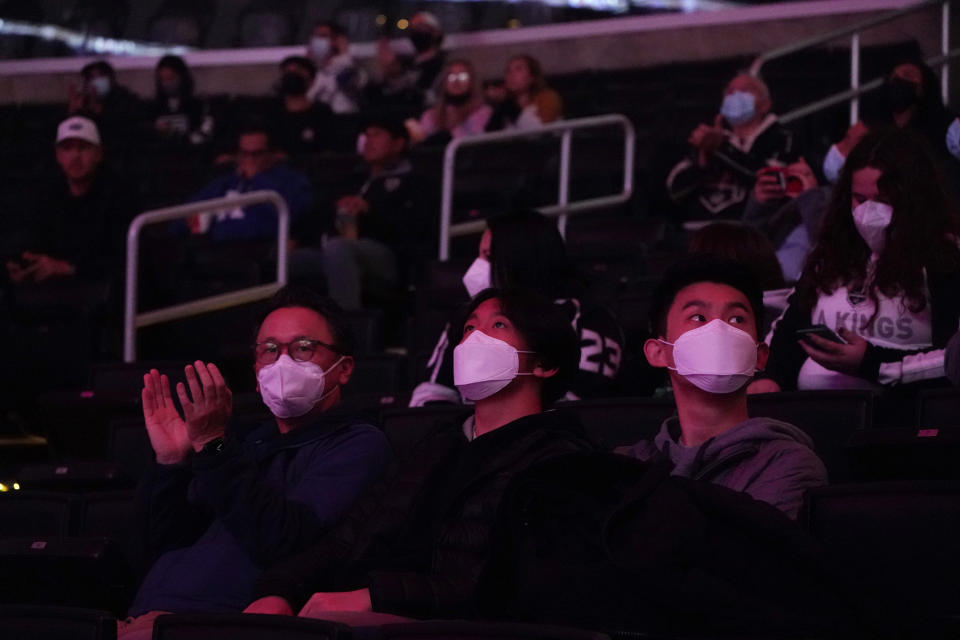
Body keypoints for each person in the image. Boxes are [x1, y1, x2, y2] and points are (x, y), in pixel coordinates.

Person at [244, 288, 591, 621]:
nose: (474, 339)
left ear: (544, 363)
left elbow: (507, 589)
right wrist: (280, 589)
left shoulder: (560, 461)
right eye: (469, 328)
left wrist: (374, 598)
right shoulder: (435, 445)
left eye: (497, 325)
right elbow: (346, 538)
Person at [118, 286, 391, 638]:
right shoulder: (245, 443)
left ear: (344, 369)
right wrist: (171, 463)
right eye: (270, 350)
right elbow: (161, 544)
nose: (283, 363)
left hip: (215, 624)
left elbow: (281, 539)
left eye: (303, 348)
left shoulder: (357, 444)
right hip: (142, 614)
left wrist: (214, 446)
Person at [751, 128, 960, 397]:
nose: (869, 213)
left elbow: (953, 361)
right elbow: (789, 330)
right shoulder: (831, 254)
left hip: (900, 417)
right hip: (811, 412)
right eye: (860, 199)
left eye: (885, 200)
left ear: (914, 202)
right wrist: (771, 378)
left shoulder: (946, 259)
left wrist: (869, 363)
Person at [617, 256, 827, 519]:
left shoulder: (788, 464)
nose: (719, 330)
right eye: (698, 317)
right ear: (658, 352)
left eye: (737, 319)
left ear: (760, 355)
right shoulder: (628, 464)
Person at [411, 209, 623, 406]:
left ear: (522, 261)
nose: (476, 268)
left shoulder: (586, 320)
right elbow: (432, 391)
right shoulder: (468, 319)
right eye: (479, 256)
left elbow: (583, 411)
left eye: (489, 257)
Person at [6, 116, 137, 288]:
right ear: (58, 156)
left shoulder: (120, 195)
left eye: (83, 148)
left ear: (98, 154)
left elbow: (121, 259)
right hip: (56, 290)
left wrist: (67, 267)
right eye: (67, 148)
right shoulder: (46, 193)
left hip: (103, 289)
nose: (75, 156)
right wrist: (20, 261)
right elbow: (31, 236)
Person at [313, 117, 426, 311]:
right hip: (336, 245)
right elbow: (319, 213)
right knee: (288, 261)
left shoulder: (414, 181)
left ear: (398, 143)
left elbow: (415, 228)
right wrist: (336, 208)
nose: (368, 140)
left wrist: (370, 211)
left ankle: (347, 330)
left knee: (338, 249)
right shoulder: (353, 177)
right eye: (366, 135)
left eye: (377, 135)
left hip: (389, 256)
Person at [666, 73, 797, 222]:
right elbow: (675, 192)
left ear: (765, 104)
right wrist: (703, 162)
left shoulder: (782, 138)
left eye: (745, 90)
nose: (734, 94)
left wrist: (720, 149)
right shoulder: (704, 136)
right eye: (729, 91)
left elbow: (771, 183)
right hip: (698, 233)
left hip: (748, 233)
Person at [822, 58, 958, 185]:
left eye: (908, 75)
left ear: (924, 88)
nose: (898, 80)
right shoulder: (871, 128)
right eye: (894, 77)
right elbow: (836, 169)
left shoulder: (944, 128)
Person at [187, 123, 314, 243]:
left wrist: (257, 178)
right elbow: (188, 213)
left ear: (272, 154)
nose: (250, 160)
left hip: (263, 249)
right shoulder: (224, 182)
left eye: (257, 154)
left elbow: (290, 215)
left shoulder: (291, 180)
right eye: (244, 153)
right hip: (218, 250)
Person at [410, 59, 492, 145]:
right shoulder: (430, 115)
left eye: (462, 76)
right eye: (451, 77)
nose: (456, 82)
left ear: (472, 81)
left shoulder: (484, 112)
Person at [268, 56, 336, 158]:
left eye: (297, 72)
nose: (292, 77)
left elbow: (329, 151)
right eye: (288, 73)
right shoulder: (271, 112)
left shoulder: (322, 113)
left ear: (311, 81)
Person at [67, 60, 143, 148]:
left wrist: (99, 111)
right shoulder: (83, 102)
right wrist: (73, 112)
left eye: (101, 75)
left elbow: (128, 129)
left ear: (111, 78)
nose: (96, 81)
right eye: (91, 77)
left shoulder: (127, 100)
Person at [485, 55, 562, 132]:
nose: (512, 75)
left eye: (518, 69)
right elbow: (488, 135)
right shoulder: (504, 104)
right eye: (508, 71)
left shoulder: (548, 97)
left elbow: (539, 132)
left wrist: (507, 103)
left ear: (532, 77)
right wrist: (500, 105)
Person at [149, 54, 213, 146]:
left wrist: (181, 139)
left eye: (171, 78)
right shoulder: (152, 108)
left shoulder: (199, 105)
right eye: (162, 79)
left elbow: (205, 133)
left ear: (182, 77)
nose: (167, 84)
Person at [306, 20, 366, 114]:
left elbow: (351, 84)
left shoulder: (349, 65)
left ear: (337, 40)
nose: (317, 41)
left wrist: (344, 57)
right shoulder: (308, 68)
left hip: (345, 120)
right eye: (315, 36)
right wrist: (307, 64)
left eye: (322, 36)